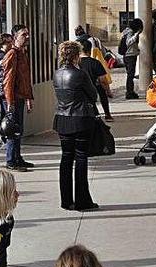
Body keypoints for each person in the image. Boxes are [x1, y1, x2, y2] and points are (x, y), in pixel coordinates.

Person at [53, 41, 99, 211]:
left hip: (62, 118)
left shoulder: (57, 74)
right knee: (81, 158)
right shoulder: (80, 74)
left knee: (65, 158)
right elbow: (93, 95)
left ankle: (66, 200)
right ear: (75, 56)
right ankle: (82, 200)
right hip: (80, 118)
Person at [2, 24, 35, 171]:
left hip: (20, 97)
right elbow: (8, 80)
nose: (27, 37)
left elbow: (25, 79)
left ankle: (17, 157)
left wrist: (28, 98)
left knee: (18, 130)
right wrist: (10, 102)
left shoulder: (22, 53)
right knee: (12, 129)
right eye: (24, 35)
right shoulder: (12, 54)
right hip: (13, 99)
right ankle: (11, 160)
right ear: (15, 37)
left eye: (27, 34)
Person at [78, 39, 112, 122]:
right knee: (101, 90)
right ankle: (107, 114)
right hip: (93, 86)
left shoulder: (76, 63)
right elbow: (103, 80)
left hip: (79, 88)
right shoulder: (95, 63)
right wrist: (108, 91)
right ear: (90, 50)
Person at [120, 19, 143, 99]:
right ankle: (129, 92)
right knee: (130, 75)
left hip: (128, 55)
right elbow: (129, 42)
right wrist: (137, 34)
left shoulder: (126, 31)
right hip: (130, 55)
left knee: (130, 74)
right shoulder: (130, 32)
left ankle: (130, 91)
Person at [0, 33, 14, 125]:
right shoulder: (1, 56)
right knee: (7, 112)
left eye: (11, 41)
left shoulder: (2, 54)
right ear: (2, 44)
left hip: (4, 87)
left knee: (4, 111)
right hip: (4, 88)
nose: (11, 44)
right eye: (8, 42)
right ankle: (4, 133)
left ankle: (2, 133)